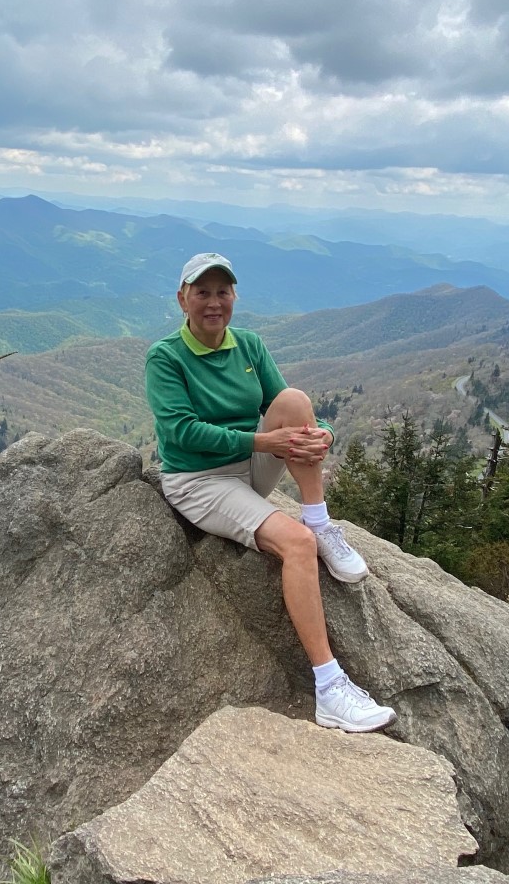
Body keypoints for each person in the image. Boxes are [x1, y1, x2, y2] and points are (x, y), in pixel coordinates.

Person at [144, 252, 396, 733]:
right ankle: (329, 688)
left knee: (295, 401)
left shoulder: (250, 346)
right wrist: (263, 442)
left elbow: (287, 410)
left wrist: (323, 434)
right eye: (203, 292)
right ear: (183, 299)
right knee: (295, 545)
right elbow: (179, 433)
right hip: (200, 481)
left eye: (223, 292)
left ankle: (320, 522)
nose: (213, 302)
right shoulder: (165, 356)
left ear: (234, 296)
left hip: (247, 467)